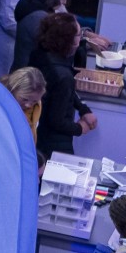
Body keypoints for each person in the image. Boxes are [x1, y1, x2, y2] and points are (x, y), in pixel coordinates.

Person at [28, 12, 98, 159]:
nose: (81, 38)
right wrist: (80, 128)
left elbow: (61, 94)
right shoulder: (64, 76)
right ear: (70, 41)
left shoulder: (38, 55)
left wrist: (82, 108)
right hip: (53, 145)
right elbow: (56, 121)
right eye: (79, 34)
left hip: (35, 135)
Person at [2, 67, 46, 141]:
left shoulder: (36, 107)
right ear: (13, 89)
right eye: (24, 99)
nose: (28, 105)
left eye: (34, 101)